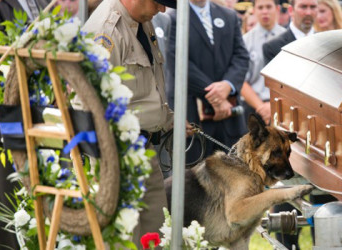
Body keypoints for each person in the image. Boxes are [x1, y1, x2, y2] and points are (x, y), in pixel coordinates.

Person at [82, 0, 195, 248]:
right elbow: (87, 101)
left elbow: (143, 93)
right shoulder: (106, 29)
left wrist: (169, 121)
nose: (163, 9)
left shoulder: (141, 22)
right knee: (125, 240)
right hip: (117, 157)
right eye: (159, 2)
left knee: (156, 235)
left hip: (143, 152)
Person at [0, 1, 51, 249]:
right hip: (7, 125)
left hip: (43, 124)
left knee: (41, 220)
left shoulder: (46, 3)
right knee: (9, 220)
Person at [166, 0, 249, 165]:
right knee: (194, 181)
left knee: (236, 176)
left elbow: (241, 56)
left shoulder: (229, 15)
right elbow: (177, 60)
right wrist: (215, 95)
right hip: (192, 116)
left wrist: (227, 85)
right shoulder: (173, 18)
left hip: (229, 116)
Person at [263, 0, 317, 248]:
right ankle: (287, 245)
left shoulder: (326, 43)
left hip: (320, 132)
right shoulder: (274, 46)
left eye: (313, 7)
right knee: (288, 192)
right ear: (291, 9)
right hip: (289, 130)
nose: (308, 12)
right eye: (303, 6)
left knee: (324, 197)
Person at [241, 0, 286, 125]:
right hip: (254, 108)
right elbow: (241, 80)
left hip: (285, 108)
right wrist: (262, 107)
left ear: (277, 9)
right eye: (260, 7)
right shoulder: (245, 41)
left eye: (268, 7)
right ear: (254, 11)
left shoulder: (288, 38)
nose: (265, 11)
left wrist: (274, 106)